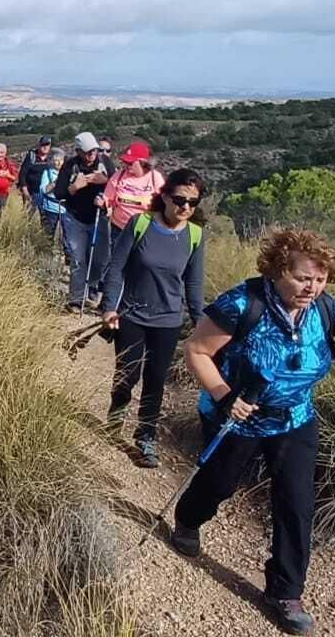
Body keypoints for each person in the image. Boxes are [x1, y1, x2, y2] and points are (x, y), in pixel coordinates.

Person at [172, 228, 335, 637]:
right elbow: (197, 351)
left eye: (320, 279)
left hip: (296, 419)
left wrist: (303, 372)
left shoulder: (328, 309)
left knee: (296, 503)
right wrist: (224, 394)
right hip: (237, 417)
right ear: (277, 270)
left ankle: (285, 592)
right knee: (219, 484)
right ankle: (188, 519)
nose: (313, 287)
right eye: (304, 277)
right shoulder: (241, 305)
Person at [99, 168, 207, 469]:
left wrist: (200, 322)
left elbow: (194, 285)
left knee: (156, 380)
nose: (185, 207)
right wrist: (109, 307)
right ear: (164, 196)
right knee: (128, 374)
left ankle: (145, 436)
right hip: (132, 314)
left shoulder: (195, 235)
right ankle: (116, 413)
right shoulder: (141, 224)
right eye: (179, 199)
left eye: (192, 202)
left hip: (169, 320)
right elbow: (116, 269)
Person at [53, 132, 113, 310]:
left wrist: (106, 181)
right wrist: (74, 187)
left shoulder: (105, 163)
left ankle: (92, 287)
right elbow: (59, 193)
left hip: (98, 218)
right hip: (75, 218)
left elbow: (118, 186)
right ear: (78, 151)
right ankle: (76, 299)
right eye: (87, 152)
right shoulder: (70, 166)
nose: (91, 155)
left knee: (100, 260)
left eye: (94, 150)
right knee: (78, 259)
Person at [102, 141, 165, 242]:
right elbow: (107, 198)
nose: (127, 166)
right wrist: (102, 202)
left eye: (130, 163)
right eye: (125, 162)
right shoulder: (119, 176)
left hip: (145, 230)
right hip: (119, 229)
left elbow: (164, 203)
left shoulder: (155, 178)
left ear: (143, 162)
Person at [36, 148, 67, 238]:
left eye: (60, 160)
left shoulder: (67, 173)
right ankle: (46, 251)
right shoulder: (47, 173)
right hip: (50, 209)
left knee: (66, 237)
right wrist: (55, 183)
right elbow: (43, 190)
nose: (58, 163)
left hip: (65, 209)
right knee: (48, 235)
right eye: (55, 160)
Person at [18, 135, 54, 211]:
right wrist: (24, 190)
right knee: (29, 214)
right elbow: (22, 174)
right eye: (43, 145)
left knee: (45, 217)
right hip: (31, 192)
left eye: (47, 145)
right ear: (38, 145)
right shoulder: (32, 156)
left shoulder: (52, 158)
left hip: (47, 193)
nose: (45, 147)